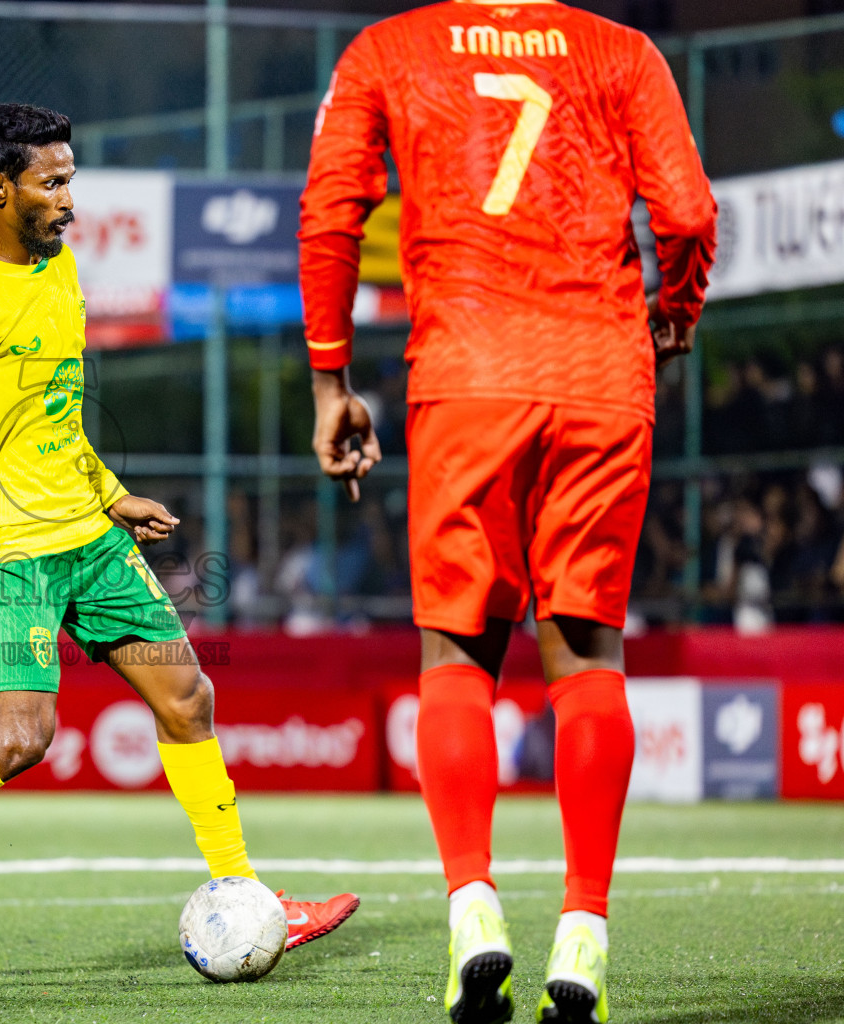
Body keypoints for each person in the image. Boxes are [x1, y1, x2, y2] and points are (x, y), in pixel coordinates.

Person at [0, 102, 359, 980]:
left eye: (71, 181)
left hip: (89, 539)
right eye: (52, 184)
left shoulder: (61, 271)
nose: (68, 200)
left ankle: (245, 891)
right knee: (18, 741)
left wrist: (112, 494)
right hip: (2, 554)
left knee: (188, 698)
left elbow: (54, 420)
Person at [299, 4, 716, 1022]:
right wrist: (675, 313)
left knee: (457, 661)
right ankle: (583, 932)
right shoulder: (622, 50)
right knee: (586, 658)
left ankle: (474, 910)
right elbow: (690, 213)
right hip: (597, 371)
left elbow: (328, 213)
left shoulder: (388, 48)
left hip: (466, 371)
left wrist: (329, 378)